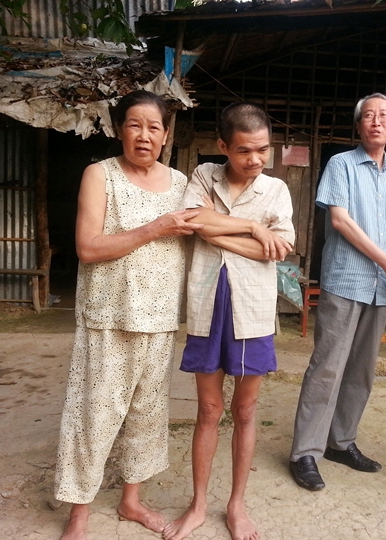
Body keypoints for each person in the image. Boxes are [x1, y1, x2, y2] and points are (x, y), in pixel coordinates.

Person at [54, 90, 204, 540]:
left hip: (159, 320)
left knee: (146, 415)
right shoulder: (100, 174)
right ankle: (79, 512)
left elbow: (209, 227)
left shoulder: (180, 183)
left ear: (166, 135)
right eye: (134, 125)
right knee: (94, 416)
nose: (144, 135)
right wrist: (157, 227)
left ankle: (131, 500)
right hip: (108, 316)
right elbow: (87, 247)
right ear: (120, 129)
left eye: (154, 127)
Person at [163, 103, 294, 540]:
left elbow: (278, 250)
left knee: (245, 410)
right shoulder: (204, 175)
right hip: (207, 303)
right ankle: (199, 504)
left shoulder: (276, 189)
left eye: (263, 149)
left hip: (252, 310)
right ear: (223, 146)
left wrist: (216, 229)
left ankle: (237, 504)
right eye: (243, 150)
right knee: (208, 410)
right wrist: (254, 229)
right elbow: (192, 220)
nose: (255, 159)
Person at [289, 93, 386, 491]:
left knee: (362, 370)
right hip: (346, 280)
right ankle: (305, 452)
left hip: (382, 287)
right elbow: (340, 221)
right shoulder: (341, 164)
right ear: (359, 125)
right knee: (327, 367)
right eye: (368, 116)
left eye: (384, 116)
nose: (376, 121)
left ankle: (341, 442)